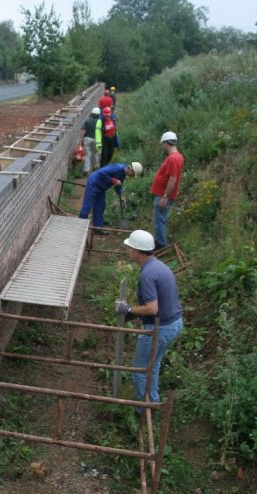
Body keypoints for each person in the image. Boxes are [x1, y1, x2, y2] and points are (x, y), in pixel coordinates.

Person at [115, 229, 183, 404]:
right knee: (152, 365)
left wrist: (128, 310)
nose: (127, 250)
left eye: (129, 248)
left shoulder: (147, 274)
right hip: (174, 324)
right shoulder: (159, 266)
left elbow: (152, 309)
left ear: (137, 251)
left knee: (140, 368)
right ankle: (152, 401)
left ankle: (142, 408)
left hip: (160, 328)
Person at [79, 162, 142, 234]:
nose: (132, 176)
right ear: (131, 170)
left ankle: (97, 228)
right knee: (88, 205)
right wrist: (114, 180)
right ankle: (80, 226)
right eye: (133, 174)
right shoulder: (117, 168)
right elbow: (101, 172)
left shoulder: (123, 174)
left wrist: (121, 194)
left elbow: (118, 185)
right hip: (94, 183)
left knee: (100, 207)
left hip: (102, 188)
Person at [151, 131, 184, 249]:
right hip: (163, 194)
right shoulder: (176, 157)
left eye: (162, 144)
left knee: (159, 220)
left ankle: (160, 244)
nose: (162, 147)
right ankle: (160, 241)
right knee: (160, 219)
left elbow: (173, 179)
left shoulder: (174, 158)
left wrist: (165, 196)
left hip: (163, 196)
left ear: (166, 144)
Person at [80, 107, 101, 176]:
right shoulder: (99, 121)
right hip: (96, 140)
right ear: (98, 114)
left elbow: (82, 131)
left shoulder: (87, 120)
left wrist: (82, 140)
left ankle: (86, 170)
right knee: (95, 154)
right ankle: (95, 167)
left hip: (87, 139)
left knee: (87, 155)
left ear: (92, 113)